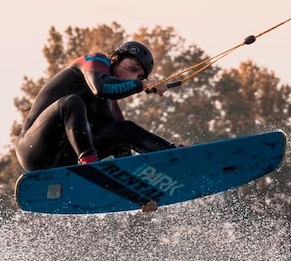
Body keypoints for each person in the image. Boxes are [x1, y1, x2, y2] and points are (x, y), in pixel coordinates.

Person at [16, 40, 177, 175]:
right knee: (72, 102)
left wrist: (141, 196)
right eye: (132, 69)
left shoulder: (110, 105)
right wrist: (142, 84)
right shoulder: (95, 61)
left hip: (67, 157)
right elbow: (101, 87)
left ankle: (173, 155)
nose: (133, 77)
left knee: (123, 130)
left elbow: (122, 149)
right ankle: (89, 164)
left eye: (139, 76)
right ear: (115, 59)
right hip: (34, 151)